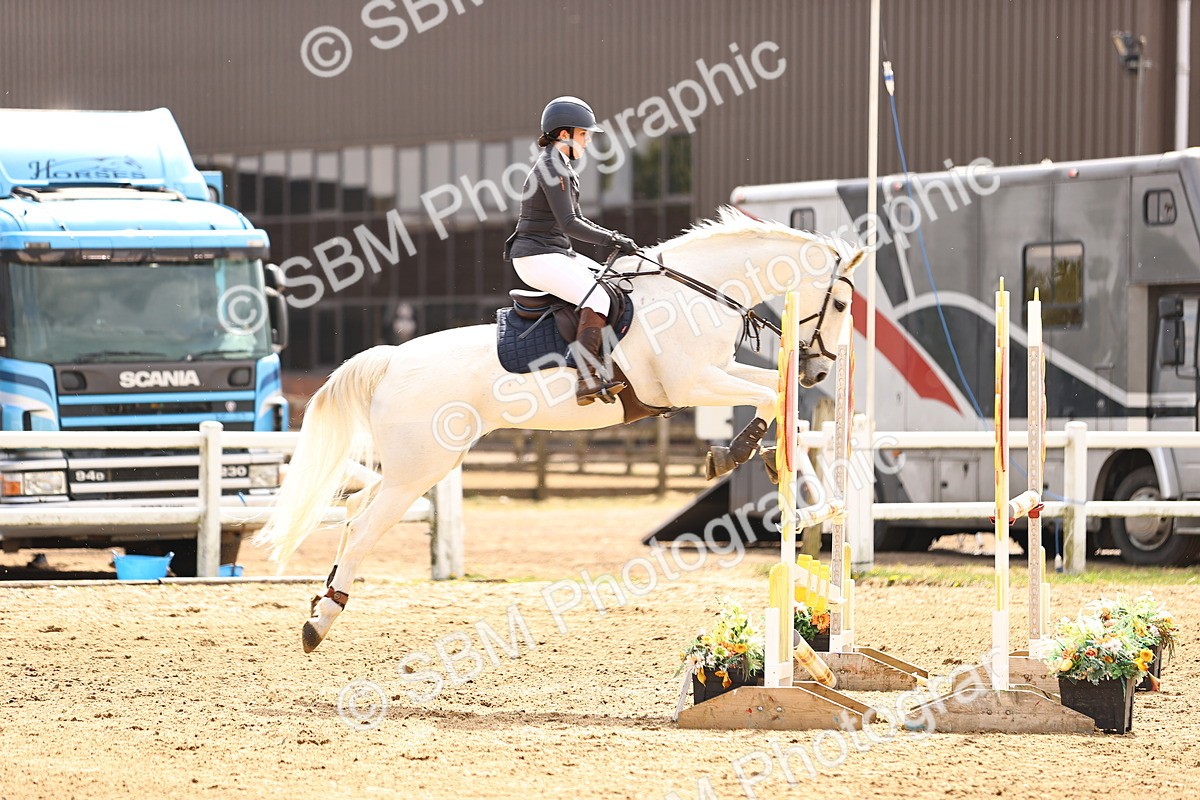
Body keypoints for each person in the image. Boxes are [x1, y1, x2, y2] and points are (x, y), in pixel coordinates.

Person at [504, 96, 639, 406]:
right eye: (583, 134)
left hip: (554, 252)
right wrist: (612, 239)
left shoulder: (559, 164)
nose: (588, 141)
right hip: (537, 257)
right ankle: (586, 376)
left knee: (615, 280)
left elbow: (572, 223)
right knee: (598, 297)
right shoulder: (552, 166)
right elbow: (570, 223)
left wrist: (613, 239)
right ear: (563, 135)